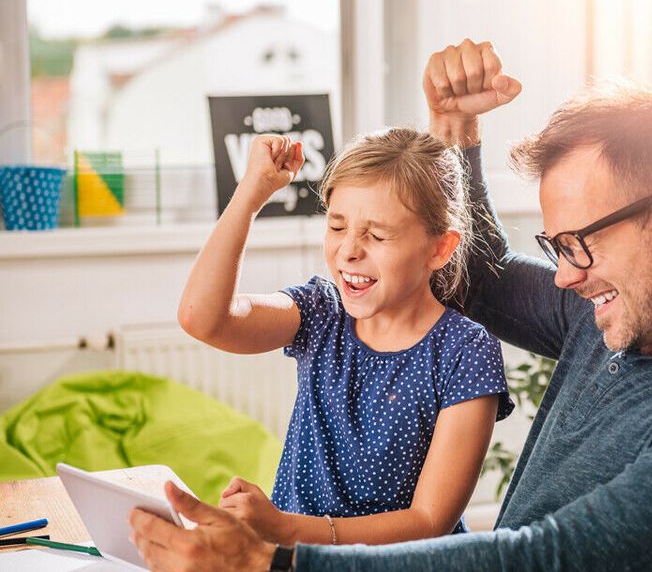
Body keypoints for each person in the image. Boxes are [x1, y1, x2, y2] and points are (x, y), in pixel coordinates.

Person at [130, 39, 652, 572]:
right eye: (557, 247)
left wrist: (274, 557)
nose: (563, 278)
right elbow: (479, 278)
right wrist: (454, 130)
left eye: (578, 243)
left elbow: (546, 557)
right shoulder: (615, 313)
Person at [175, 127, 514, 547]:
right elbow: (203, 319)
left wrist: (286, 530)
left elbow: (430, 521)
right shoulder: (322, 310)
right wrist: (251, 193)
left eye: (376, 235)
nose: (348, 250)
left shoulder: (465, 350)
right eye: (337, 227)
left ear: (439, 249)